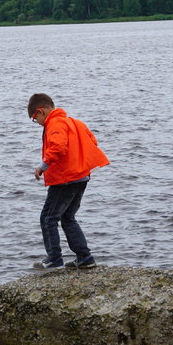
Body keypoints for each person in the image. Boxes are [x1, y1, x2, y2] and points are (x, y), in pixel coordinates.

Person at [28, 93, 110, 270]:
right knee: (67, 217)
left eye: (35, 119)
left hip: (65, 178)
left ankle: (54, 258)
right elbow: (92, 141)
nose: (38, 123)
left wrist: (42, 166)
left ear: (40, 112)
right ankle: (85, 257)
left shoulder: (54, 123)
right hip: (82, 177)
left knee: (48, 218)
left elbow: (58, 146)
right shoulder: (75, 122)